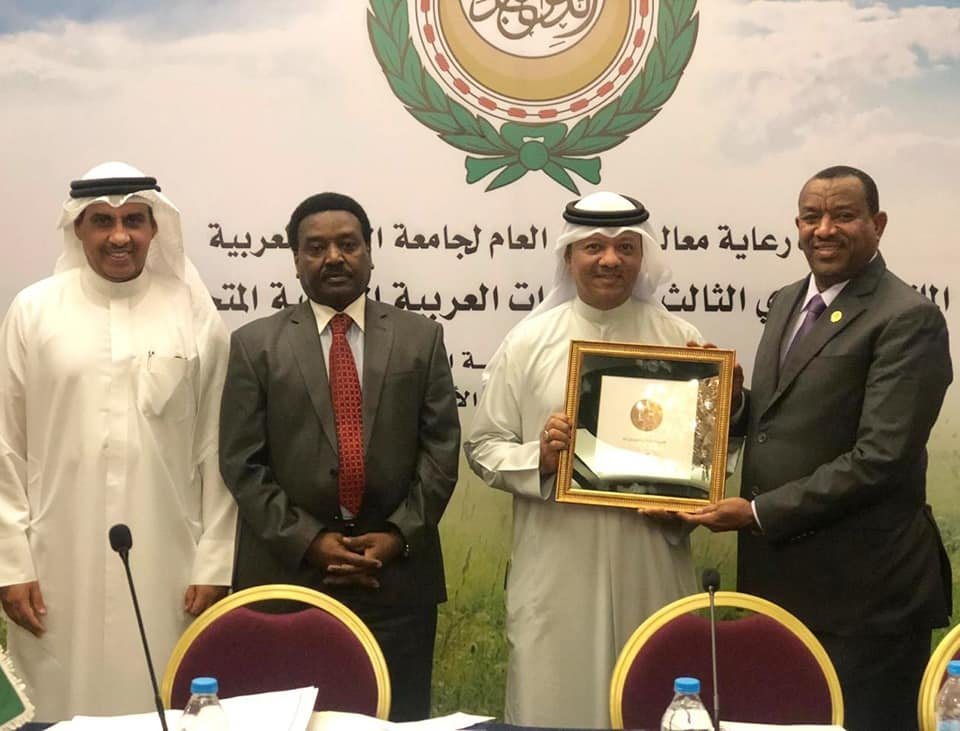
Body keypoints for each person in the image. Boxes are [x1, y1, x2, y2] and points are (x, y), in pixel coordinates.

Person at [681, 165, 952, 731]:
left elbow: (881, 458)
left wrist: (757, 513)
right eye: (812, 217)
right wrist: (728, 400)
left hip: (865, 597)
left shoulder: (908, 318)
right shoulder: (787, 301)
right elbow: (778, 420)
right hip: (778, 583)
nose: (824, 229)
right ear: (798, 226)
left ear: (878, 224)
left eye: (843, 215)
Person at [0, 162, 237, 720]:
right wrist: (10, 563)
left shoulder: (194, 314)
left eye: (134, 220)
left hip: (168, 556)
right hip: (57, 555)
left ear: (156, 228)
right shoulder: (32, 310)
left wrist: (214, 563)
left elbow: (217, 448)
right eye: (102, 221)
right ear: (77, 228)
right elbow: (8, 444)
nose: (119, 236)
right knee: (58, 702)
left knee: (162, 697)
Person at [464, 191, 705, 728]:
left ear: (643, 256)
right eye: (593, 246)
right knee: (556, 704)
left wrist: (714, 425)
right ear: (569, 256)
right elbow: (483, 446)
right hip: (557, 566)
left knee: (652, 700)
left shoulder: (682, 342)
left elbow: (708, 459)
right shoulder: (528, 342)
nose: (610, 260)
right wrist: (541, 458)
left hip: (651, 559)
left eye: (625, 247)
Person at [219, 192, 460, 721]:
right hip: (290, 579)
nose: (333, 258)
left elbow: (441, 452)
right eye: (316, 247)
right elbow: (242, 463)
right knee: (289, 722)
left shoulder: (421, 338)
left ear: (370, 253)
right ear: (295, 260)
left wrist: (396, 537)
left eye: (348, 245)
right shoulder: (254, 345)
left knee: (396, 719)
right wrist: (310, 542)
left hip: (396, 580)